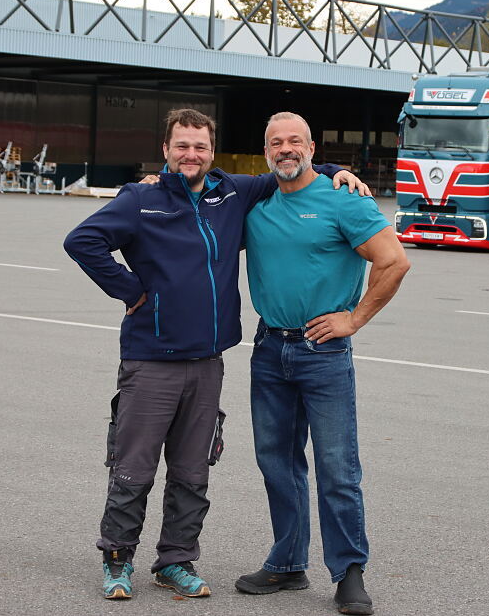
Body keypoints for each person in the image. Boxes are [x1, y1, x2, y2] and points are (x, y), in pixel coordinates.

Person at [62, 108, 366, 601]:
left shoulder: (232, 193)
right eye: (182, 146)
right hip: (151, 359)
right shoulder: (141, 199)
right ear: (166, 149)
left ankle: (176, 560)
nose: (191, 154)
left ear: (211, 151)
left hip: (207, 363)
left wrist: (335, 170)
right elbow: (83, 241)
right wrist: (129, 289)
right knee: (134, 467)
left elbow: (290, 168)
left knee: (192, 471)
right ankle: (117, 558)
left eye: (200, 146)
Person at [235, 112, 410, 616]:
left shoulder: (343, 199)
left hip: (323, 354)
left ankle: (349, 572)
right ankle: (288, 563)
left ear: (311, 147)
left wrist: (354, 319)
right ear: (266, 152)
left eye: (295, 141)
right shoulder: (257, 205)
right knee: (277, 462)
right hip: (270, 349)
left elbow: (394, 260)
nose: (285, 149)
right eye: (276, 143)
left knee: (337, 467)